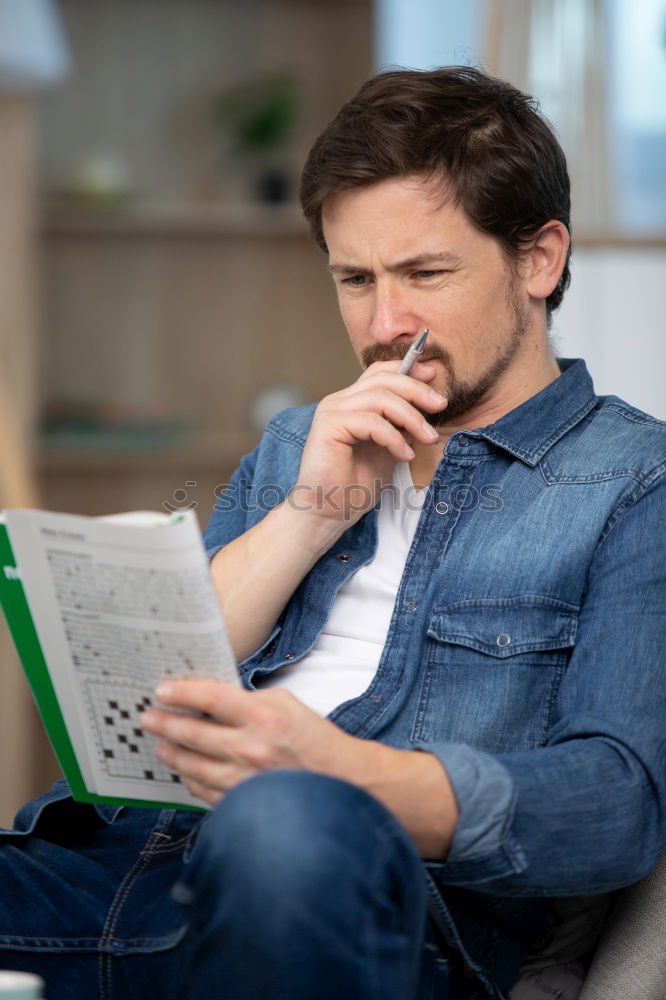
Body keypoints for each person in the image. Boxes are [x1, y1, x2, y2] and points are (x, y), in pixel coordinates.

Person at [1, 67, 665, 1000]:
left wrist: (336, 769)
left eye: (426, 274)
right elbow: (151, 702)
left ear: (539, 261)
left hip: (375, 905)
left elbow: (614, 804)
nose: (387, 326)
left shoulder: (637, 482)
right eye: (355, 279)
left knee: (281, 824)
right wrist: (311, 516)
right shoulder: (298, 444)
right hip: (127, 874)